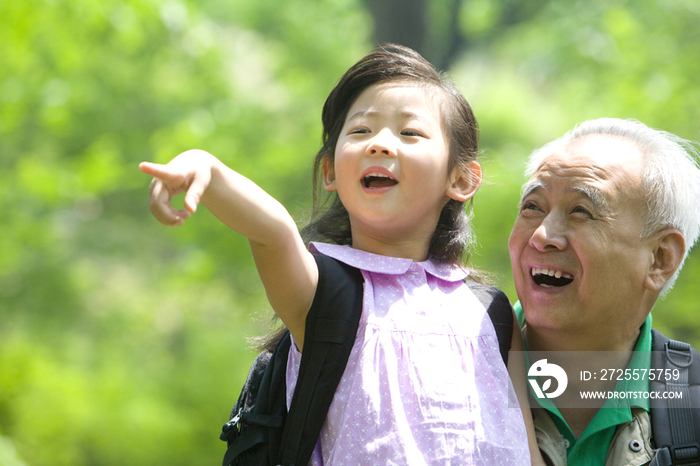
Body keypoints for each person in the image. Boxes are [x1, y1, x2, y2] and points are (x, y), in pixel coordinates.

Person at [140, 44, 544, 465]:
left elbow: (527, 448)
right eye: (360, 132)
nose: (379, 145)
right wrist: (206, 167)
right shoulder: (324, 291)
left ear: (461, 178)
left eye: (409, 133)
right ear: (331, 171)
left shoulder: (492, 313)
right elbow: (272, 232)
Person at [508, 117, 700, 465]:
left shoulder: (692, 407)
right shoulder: (449, 368)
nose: (541, 236)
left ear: (659, 258)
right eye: (533, 207)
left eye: (581, 211)